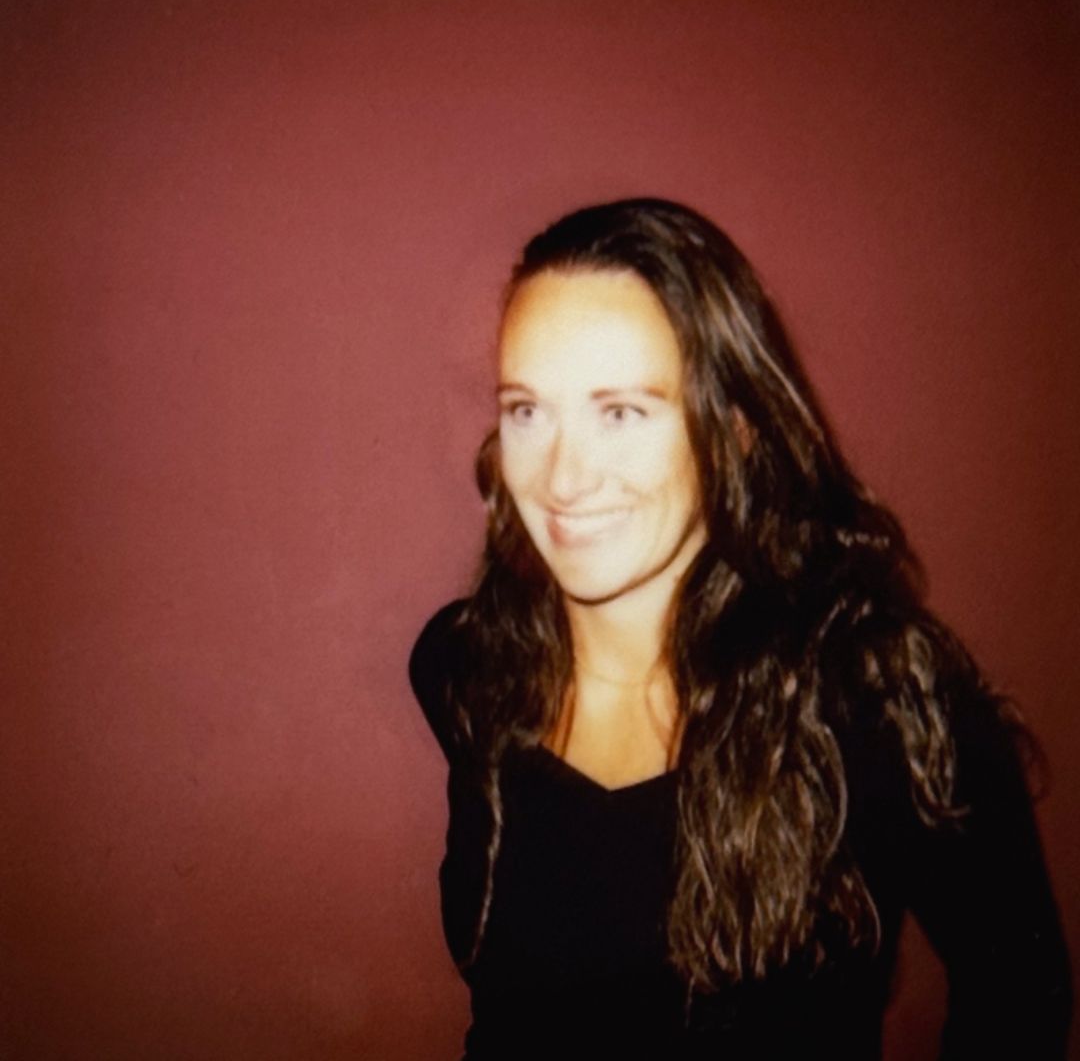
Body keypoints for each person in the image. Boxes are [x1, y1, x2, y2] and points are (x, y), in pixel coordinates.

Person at [409, 199, 1071, 1059]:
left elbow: (1017, 992)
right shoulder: (469, 668)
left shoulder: (874, 701)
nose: (562, 480)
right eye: (528, 411)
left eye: (621, 412)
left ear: (734, 431)